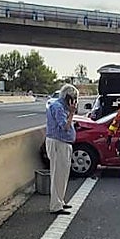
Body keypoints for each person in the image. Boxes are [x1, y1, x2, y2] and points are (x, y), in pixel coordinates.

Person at [44, 84, 78, 214]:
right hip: (58, 142)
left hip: (63, 142)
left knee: (62, 174)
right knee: (58, 174)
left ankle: (60, 201)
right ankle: (55, 205)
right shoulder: (58, 107)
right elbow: (65, 126)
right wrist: (71, 113)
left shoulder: (60, 106)